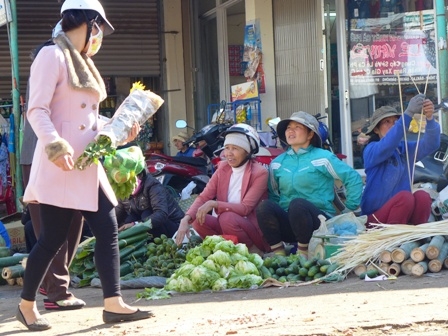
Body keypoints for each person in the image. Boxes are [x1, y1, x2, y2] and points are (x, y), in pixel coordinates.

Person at [17, 0, 152, 331]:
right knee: (51, 240)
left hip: (87, 164)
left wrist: (120, 130)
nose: (100, 36)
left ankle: (113, 303)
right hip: (61, 165)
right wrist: (54, 144)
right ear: (90, 23)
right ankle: (25, 305)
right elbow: (37, 110)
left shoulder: (83, 61)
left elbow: (85, 121)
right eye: (100, 28)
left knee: (107, 230)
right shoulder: (51, 55)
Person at [19, 30, 86, 311]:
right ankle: (56, 290)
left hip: (63, 157)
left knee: (72, 223)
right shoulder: (46, 76)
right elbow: (39, 117)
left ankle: (51, 283)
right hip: (43, 157)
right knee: (52, 228)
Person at [256, 111, 363, 258]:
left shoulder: (323, 158)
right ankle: (279, 255)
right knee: (264, 207)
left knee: (298, 204)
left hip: (318, 224)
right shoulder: (277, 164)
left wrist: (350, 210)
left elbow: (353, 178)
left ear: (310, 134)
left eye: (297, 127)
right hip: (291, 226)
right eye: (288, 127)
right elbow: (274, 195)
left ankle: (303, 254)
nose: (291, 130)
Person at [175, 124, 269, 255]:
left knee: (227, 218)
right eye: (226, 148)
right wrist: (186, 219)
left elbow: (245, 208)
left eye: (235, 148)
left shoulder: (260, 173)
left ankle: (252, 251)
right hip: (227, 225)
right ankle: (221, 251)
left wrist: (215, 204)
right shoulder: (222, 168)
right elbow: (204, 197)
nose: (228, 153)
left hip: (250, 229)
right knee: (198, 218)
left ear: (247, 151)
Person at [361, 94, 440, 225]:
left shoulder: (403, 149)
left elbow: (431, 144)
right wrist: (408, 113)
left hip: (402, 215)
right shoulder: (371, 150)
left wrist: (430, 118)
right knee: (405, 197)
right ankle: (396, 240)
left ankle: (415, 238)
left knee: (422, 196)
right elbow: (388, 144)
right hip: (375, 219)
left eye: (395, 122)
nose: (392, 125)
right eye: (387, 122)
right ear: (376, 129)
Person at [116, 169, 184, 238]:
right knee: (128, 220)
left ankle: (152, 243)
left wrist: (135, 224)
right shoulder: (125, 191)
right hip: (145, 221)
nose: (126, 185)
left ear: (140, 175)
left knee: (145, 215)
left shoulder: (153, 186)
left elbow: (161, 214)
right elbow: (118, 211)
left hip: (174, 225)